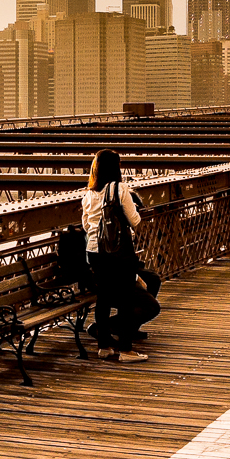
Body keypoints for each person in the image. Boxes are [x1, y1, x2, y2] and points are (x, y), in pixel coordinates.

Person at [81, 148, 150, 362]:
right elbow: (135, 221)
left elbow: (85, 224)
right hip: (117, 253)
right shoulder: (120, 190)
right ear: (116, 168)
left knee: (103, 298)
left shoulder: (89, 194)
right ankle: (126, 350)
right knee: (126, 298)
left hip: (94, 252)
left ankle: (104, 347)